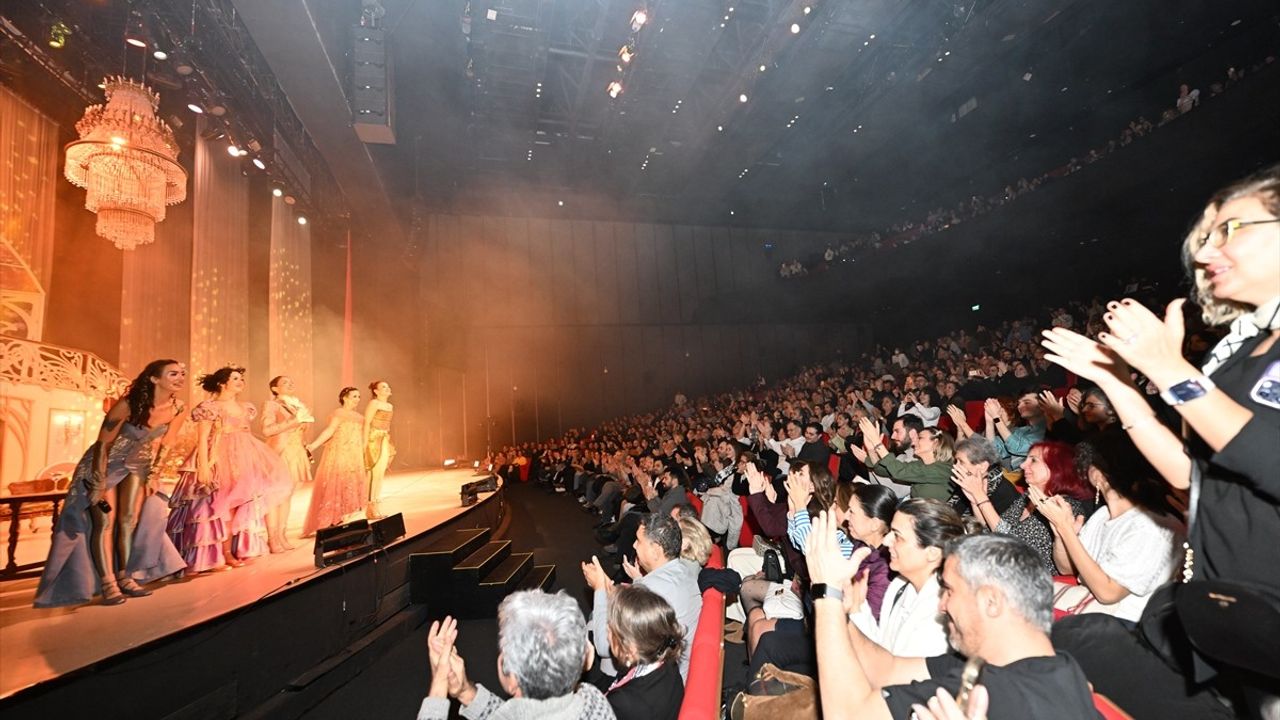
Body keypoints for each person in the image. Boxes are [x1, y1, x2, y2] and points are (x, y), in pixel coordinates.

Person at [1042, 165, 1280, 715]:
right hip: (1243, 611)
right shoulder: (1241, 352)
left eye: (1231, 229)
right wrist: (1116, 381)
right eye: (1205, 237)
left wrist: (1170, 370)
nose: (1206, 252)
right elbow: (1187, 474)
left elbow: (1270, 457)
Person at [807, 516, 1097, 720]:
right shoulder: (1058, 668)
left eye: (949, 590)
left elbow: (848, 714)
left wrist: (825, 593)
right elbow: (888, 668)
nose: (942, 605)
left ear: (991, 601)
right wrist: (843, 614)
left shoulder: (989, 695)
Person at [35, 360, 188, 607]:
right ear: (154, 378)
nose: (180, 377)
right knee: (104, 522)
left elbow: (168, 443)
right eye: (173, 373)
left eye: (182, 374)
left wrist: (154, 473)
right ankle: (108, 584)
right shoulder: (129, 404)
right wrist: (97, 481)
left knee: (129, 521)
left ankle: (125, 577)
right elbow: (103, 444)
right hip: (105, 465)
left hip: (138, 467)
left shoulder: (179, 408)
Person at [1039, 437, 1183, 623]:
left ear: (1098, 475)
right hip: (1089, 612)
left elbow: (1108, 593)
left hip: (1123, 628)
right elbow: (1066, 568)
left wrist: (1066, 530)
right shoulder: (1103, 515)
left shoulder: (1150, 527)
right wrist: (1061, 535)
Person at [168, 366, 293, 569]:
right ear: (222, 383)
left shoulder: (246, 407)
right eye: (235, 378)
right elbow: (202, 438)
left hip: (243, 455)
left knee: (240, 503)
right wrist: (203, 466)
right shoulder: (210, 406)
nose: (240, 381)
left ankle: (237, 548)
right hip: (218, 455)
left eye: (241, 378)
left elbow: (245, 434)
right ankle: (222, 553)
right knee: (220, 505)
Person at [419, 592, 615, 720]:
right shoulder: (594, 702)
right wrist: (465, 692)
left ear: (510, 679)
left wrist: (439, 683)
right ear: (586, 659)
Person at [584, 513, 701, 680]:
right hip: (676, 670)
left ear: (656, 550)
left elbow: (605, 646)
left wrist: (599, 588)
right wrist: (639, 579)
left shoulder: (649, 588)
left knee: (593, 622)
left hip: (652, 680)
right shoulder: (686, 573)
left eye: (638, 541)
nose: (633, 545)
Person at [850, 499, 969, 657]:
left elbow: (892, 672)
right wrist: (858, 607)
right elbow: (882, 647)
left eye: (897, 536)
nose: (886, 541)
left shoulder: (942, 612)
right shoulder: (900, 584)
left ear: (932, 553)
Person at [970, 441, 1093, 573]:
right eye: (1025, 459)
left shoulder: (1063, 506)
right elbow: (991, 531)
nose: (1022, 465)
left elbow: (1012, 546)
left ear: (1056, 467)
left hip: (1029, 580)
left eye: (1033, 460)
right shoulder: (1029, 497)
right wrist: (974, 499)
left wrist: (981, 498)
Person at [604, 585, 686, 720]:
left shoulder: (623, 703)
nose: (607, 634)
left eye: (611, 629)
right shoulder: (665, 659)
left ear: (630, 649)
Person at [302, 387, 369, 536]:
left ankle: (349, 518)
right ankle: (333, 520)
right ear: (344, 397)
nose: (357, 399)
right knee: (336, 485)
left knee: (350, 485)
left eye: (359, 396)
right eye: (354, 396)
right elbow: (330, 431)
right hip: (340, 453)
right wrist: (313, 445)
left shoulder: (360, 417)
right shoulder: (339, 413)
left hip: (354, 455)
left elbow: (361, 438)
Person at [261, 375, 314, 552]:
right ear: (275, 389)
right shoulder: (272, 405)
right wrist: (294, 421)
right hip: (279, 453)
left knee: (288, 495)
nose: (291, 383)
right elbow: (267, 430)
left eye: (291, 381)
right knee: (275, 496)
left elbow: (301, 430)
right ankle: (272, 537)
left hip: (295, 452)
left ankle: (282, 534)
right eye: (285, 382)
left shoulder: (297, 404)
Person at [860, 417, 955, 501]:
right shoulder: (919, 464)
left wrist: (877, 443)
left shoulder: (943, 468)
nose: (914, 443)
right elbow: (883, 470)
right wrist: (871, 450)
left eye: (920, 438)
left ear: (935, 443)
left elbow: (900, 471)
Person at [948, 436, 1019, 518]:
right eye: (956, 461)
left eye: (961, 462)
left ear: (983, 466)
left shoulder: (1003, 493)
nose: (955, 466)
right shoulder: (968, 481)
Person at [364, 379, 396, 519]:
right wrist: (365, 442)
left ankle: (376, 503)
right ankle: (370, 507)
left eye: (388, 386)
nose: (387, 388)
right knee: (373, 473)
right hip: (373, 439)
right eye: (383, 387)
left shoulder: (389, 405)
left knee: (380, 473)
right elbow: (367, 423)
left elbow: (387, 425)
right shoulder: (374, 403)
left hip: (383, 439)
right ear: (376, 391)